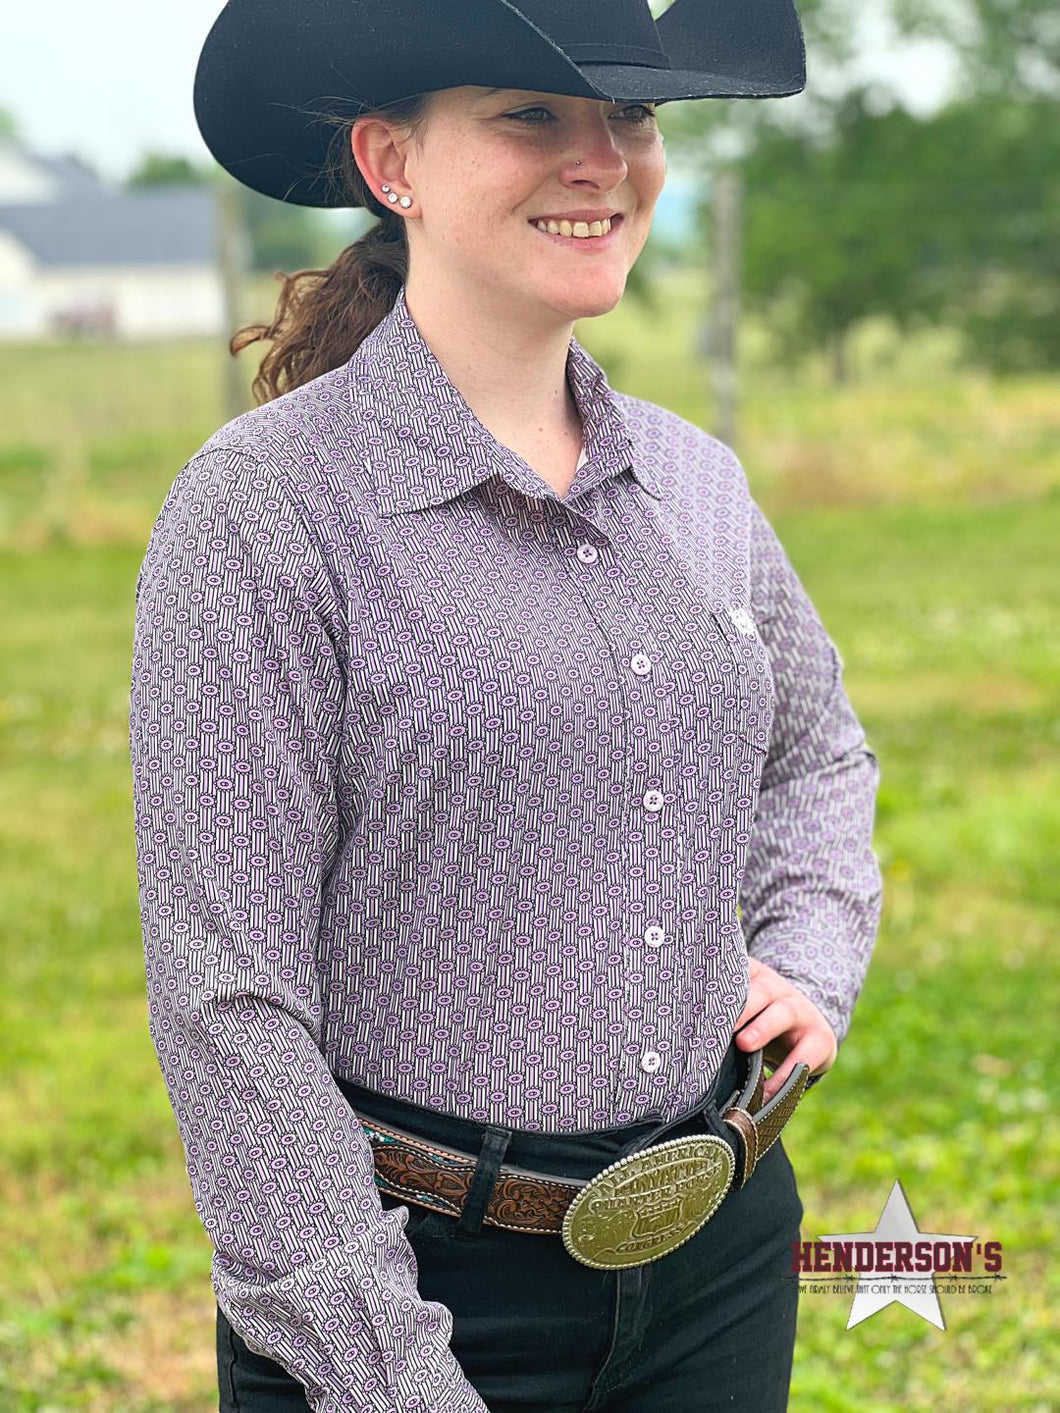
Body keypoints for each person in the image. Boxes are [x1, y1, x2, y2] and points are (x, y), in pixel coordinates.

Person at [127, 1, 884, 1410]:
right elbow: (229, 1003)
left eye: (632, 119)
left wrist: (815, 944)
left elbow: (819, 754)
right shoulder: (265, 515)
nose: (601, 158)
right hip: (408, 1294)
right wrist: (388, 1372)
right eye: (531, 115)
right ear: (390, 161)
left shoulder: (698, 479)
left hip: (719, 1255)